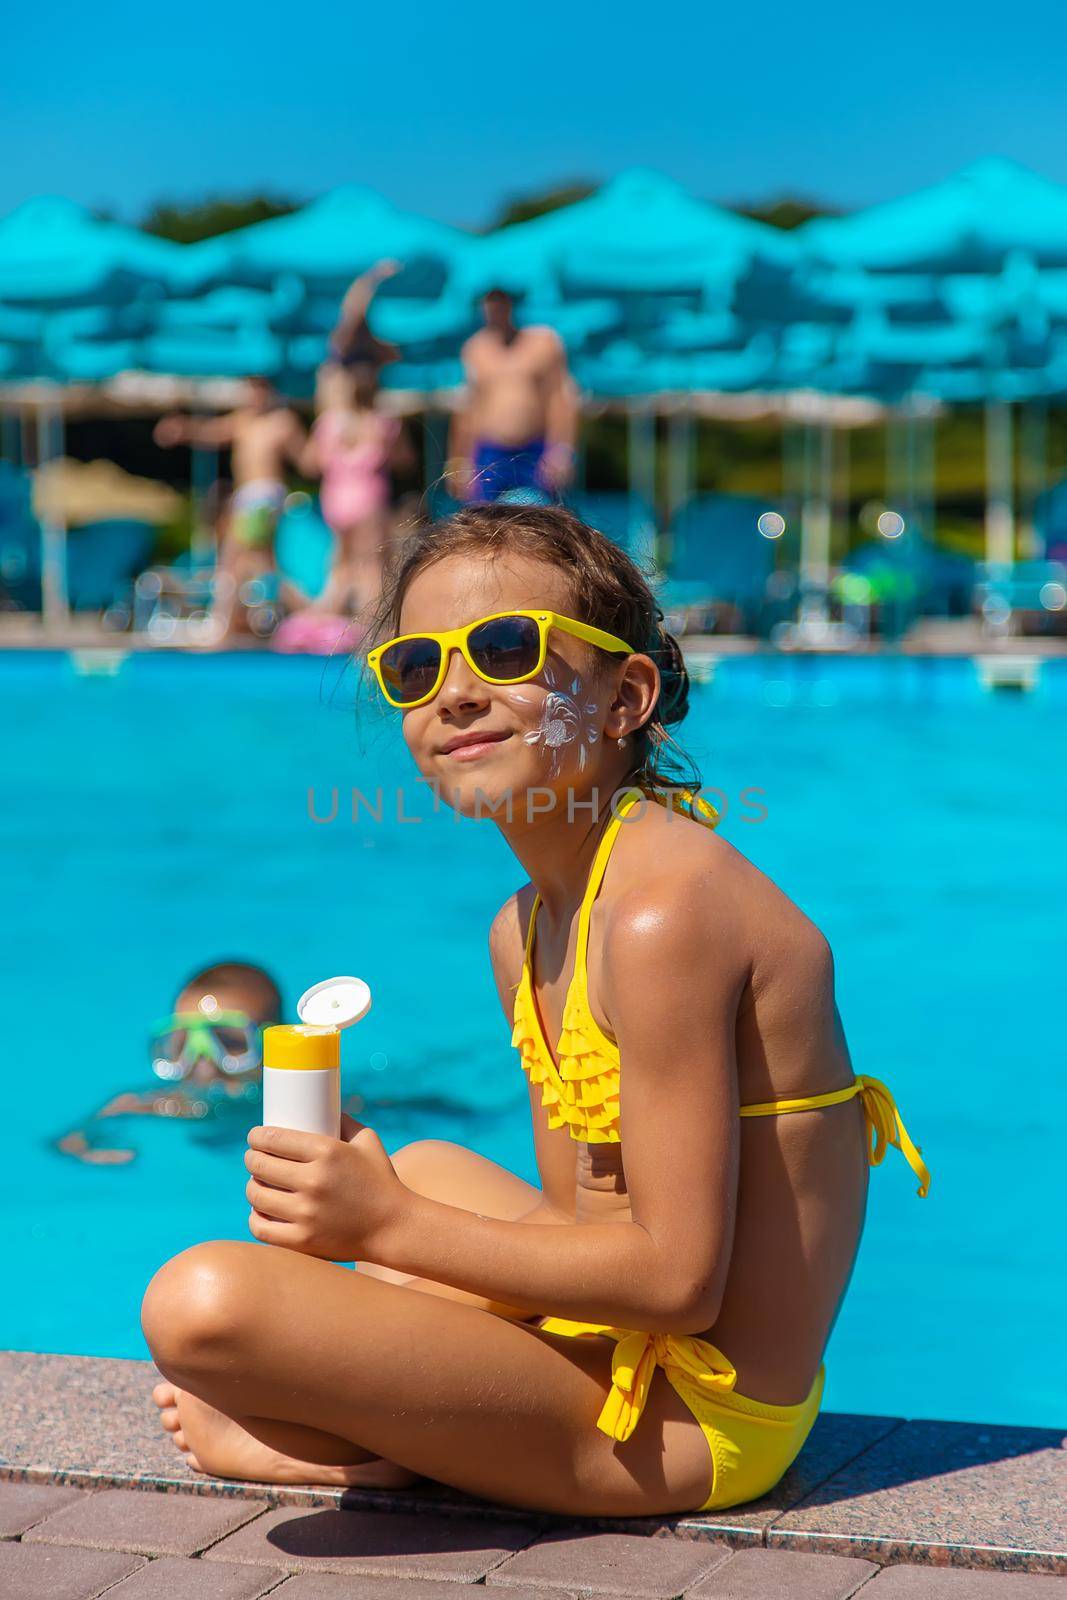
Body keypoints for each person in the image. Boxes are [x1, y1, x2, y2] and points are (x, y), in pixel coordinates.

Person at [141, 504, 929, 1513]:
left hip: (693, 1424)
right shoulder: (523, 929)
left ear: (622, 696)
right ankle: (420, 1435)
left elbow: (676, 1280)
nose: (455, 692)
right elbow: (572, 1220)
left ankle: (352, 1455)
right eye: (415, 668)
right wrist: (381, 1207)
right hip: (617, 1353)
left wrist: (385, 1229)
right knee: (414, 1164)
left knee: (202, 1301)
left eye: (505, 648)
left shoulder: (662, 913)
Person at [55, 962, 283, 1166]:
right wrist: (82, 1141)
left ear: (279, 1045)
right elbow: (68, 1141)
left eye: (231, 1043)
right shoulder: (156, 1103)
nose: (205, 1065)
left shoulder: (285, 1109)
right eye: (183, 1043)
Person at [154, 377, 307, 642]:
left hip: (264, 496)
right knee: (263, 565)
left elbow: (307, 459)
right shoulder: (243, 421)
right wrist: (183, 429)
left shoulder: (282, 422)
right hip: (246, 497)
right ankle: (303, 612)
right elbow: (210, 433)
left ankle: (220, 622)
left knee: (232, 560)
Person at [301, 361, 414, 618]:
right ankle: (369, 622)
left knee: (340, 564)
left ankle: (326, 619)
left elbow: (310, 464)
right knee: (371, 563)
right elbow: (404, 461)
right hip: (368, 497)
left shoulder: (329, 423)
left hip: (336, 498)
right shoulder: (383, 423)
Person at [448, 288, 579, 503]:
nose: (494, 312)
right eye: (490, 305)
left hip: (533, 448)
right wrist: (459, 460)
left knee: (541, 521)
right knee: (484, 523)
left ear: (510, 306)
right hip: (489, 449)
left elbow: (560, 400)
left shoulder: (542, 343)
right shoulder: (475, 349)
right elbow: (467, 411)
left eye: (500, 304)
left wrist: (562, 450)